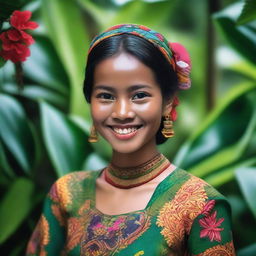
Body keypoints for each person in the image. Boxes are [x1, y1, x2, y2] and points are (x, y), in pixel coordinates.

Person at [26, 24, 235, 255]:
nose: (122, 112)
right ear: (90, 102)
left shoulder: (201, 205)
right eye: (106, 96)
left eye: (139, 95)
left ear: (167, 101)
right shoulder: (66, 194)